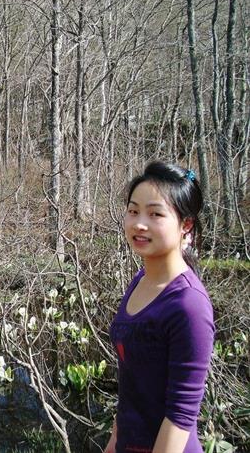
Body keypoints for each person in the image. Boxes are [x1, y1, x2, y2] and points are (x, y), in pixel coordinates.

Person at [106, 161, 215, 452]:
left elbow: (180, 417)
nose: (139, 224)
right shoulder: (140, 280)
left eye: (155, 213)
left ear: (186, 225)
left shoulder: (189, 304)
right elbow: (131, 384)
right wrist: (114, 441)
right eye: (133, 211)